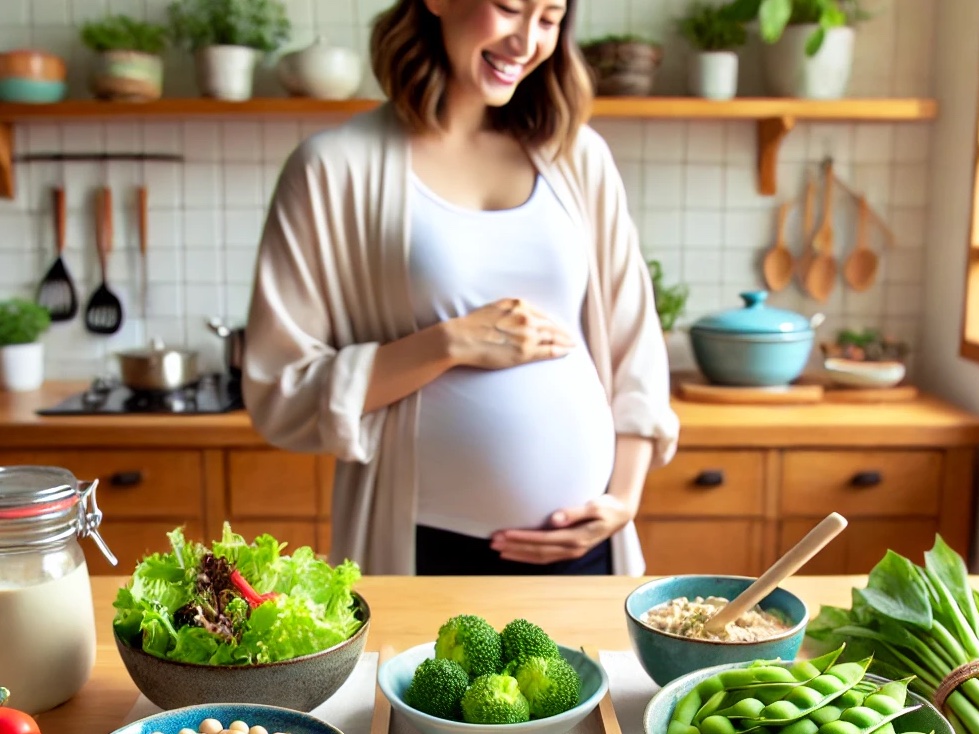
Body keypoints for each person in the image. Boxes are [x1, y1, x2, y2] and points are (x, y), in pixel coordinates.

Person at [242, 0, 680, 576]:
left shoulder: (580, 159)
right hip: (423, 553)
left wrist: (622, 501)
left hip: (583, 549)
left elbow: (635, 348)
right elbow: (281, 389)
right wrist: (446, 344)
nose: (526, 42)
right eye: (509, 8)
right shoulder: (333, 170)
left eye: (549, 19)